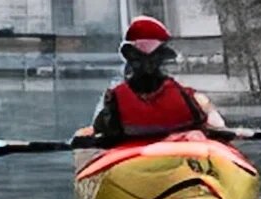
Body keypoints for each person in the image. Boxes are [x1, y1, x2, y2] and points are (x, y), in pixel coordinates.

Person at [92, 15, 228, 138]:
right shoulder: (185, 96)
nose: (147, 66)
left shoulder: (116, 98)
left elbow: (101, 131)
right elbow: (212, 125)